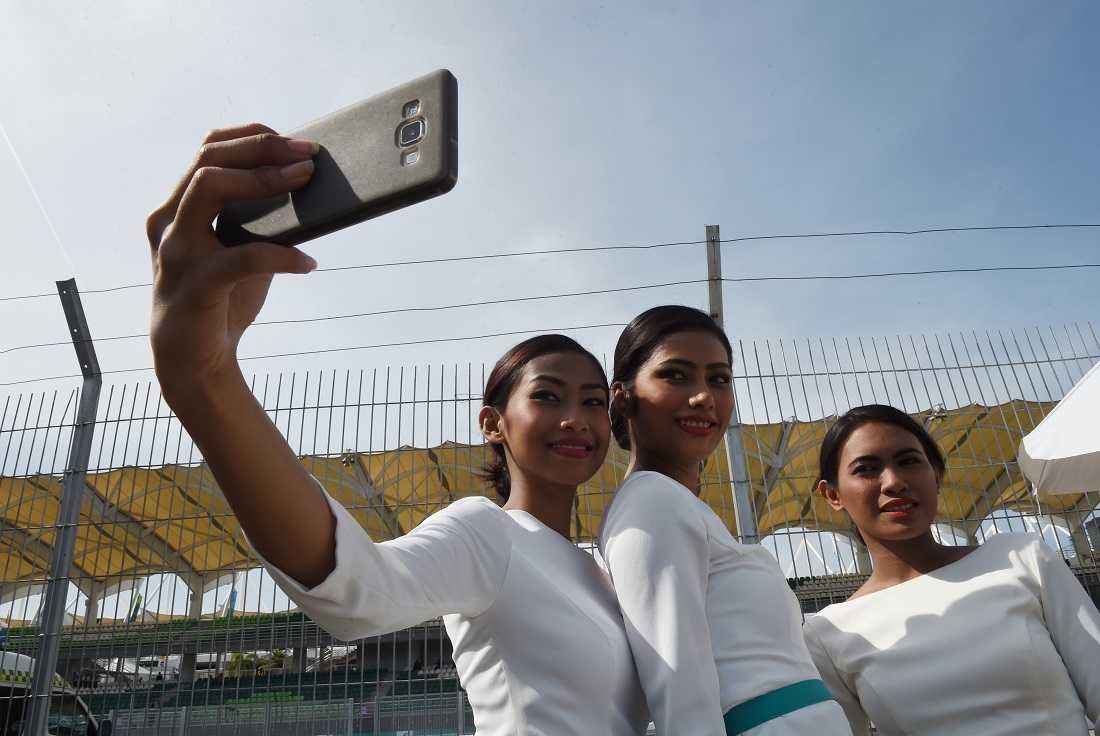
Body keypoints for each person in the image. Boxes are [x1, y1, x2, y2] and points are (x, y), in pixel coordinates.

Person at [147, 125, 649, 735]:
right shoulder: (487, 532)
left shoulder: (602, 570)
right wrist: (206, 382)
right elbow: (361, 590)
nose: (576, 418)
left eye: (594, 402)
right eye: (547, 395)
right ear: (492, 423)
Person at [598, 305, 849, 735]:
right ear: (622, 395)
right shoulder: (652, 501)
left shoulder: (675, 503)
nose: (704, 396)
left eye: (719, 378)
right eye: (675, 375)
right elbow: (679, 691)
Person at [803, 403, 1100, 735]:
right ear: (832, 494)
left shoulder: (1021, 558)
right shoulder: (829, 633)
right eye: (866, 469)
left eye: (909, 461)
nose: (894, 481)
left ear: (937, 474)